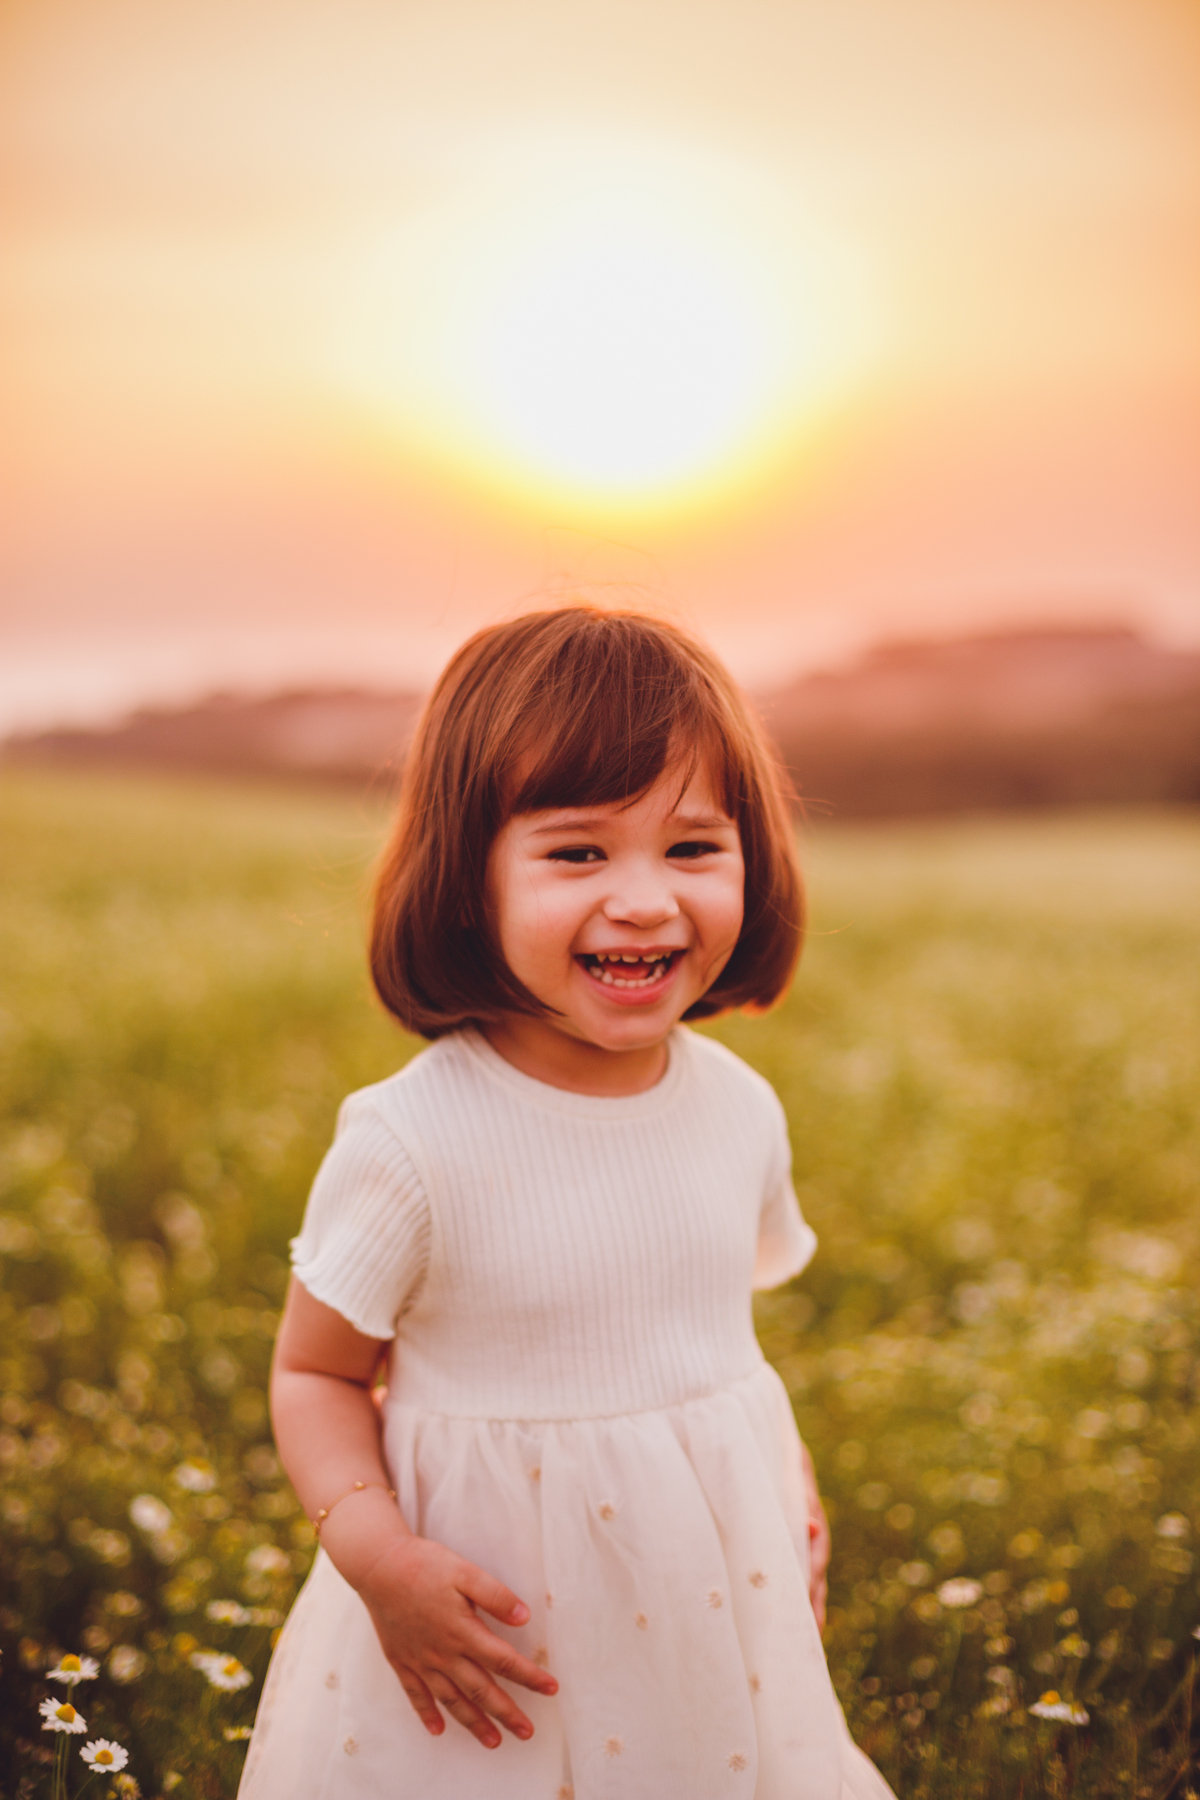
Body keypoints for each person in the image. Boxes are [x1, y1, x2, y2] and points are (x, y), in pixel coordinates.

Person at [240, 607, 895, 1800]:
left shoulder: (741, 1110)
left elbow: (713, 1346)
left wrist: (786, 1486)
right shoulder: (414, 1140)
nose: (644, 901)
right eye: (579, 853)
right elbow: (317, 1375)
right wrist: (380, 1563)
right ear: (466, 877)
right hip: (487, 1639)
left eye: (693, 849)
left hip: (703, 1602)